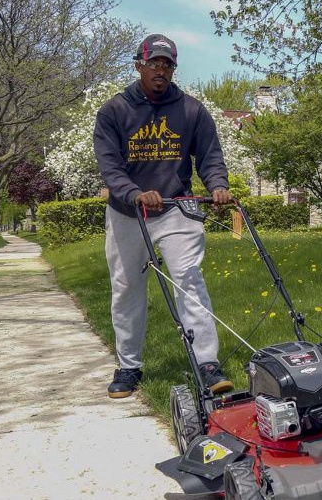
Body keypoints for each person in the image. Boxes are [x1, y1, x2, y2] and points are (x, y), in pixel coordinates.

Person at [94, 34, 234, 398]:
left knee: (189, 279)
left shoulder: (191, 110)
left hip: (176, 210)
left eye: (167, 64)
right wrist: (135, 193)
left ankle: (207, 362)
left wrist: (217, 184)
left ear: (174, 68)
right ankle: (129, 366)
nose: (160, 70)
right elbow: (110, 167)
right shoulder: (113, 111)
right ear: (139, 65)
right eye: (153, 63)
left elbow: (210, 156)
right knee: (126, 289)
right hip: (127, 213)